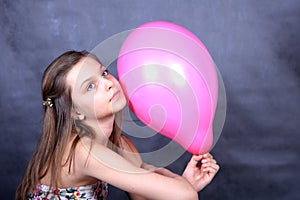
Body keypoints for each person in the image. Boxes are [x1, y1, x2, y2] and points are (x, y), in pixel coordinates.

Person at [15, 50, 219, 200]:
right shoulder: (83, 151)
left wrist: (185, 182)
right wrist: (182, 188)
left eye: (103, 73)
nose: (109, 83)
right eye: (91, 86)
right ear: (75, 112)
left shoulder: (120, 144)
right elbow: (184, 195)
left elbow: (143, 195)